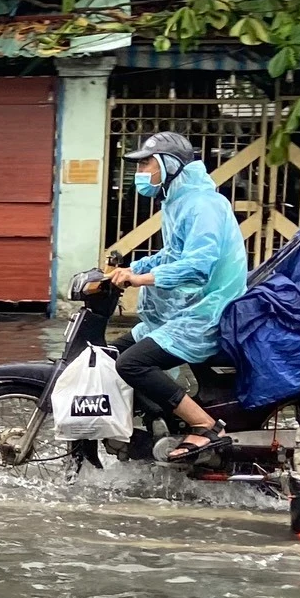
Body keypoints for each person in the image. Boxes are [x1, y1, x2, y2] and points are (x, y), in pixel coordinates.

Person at [106, 130, 248, 458]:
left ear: (169, 165)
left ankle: (206, 427)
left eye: (146, 165)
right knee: (112, 352)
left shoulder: (202, 205)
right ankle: (158, 419)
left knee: (133, 363)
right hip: (189, 309)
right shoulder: (178, 200)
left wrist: (141, 279)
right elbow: (172, 254)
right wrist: (130, 269)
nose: (140, 174)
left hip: (209, 312)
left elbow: (198, 266)